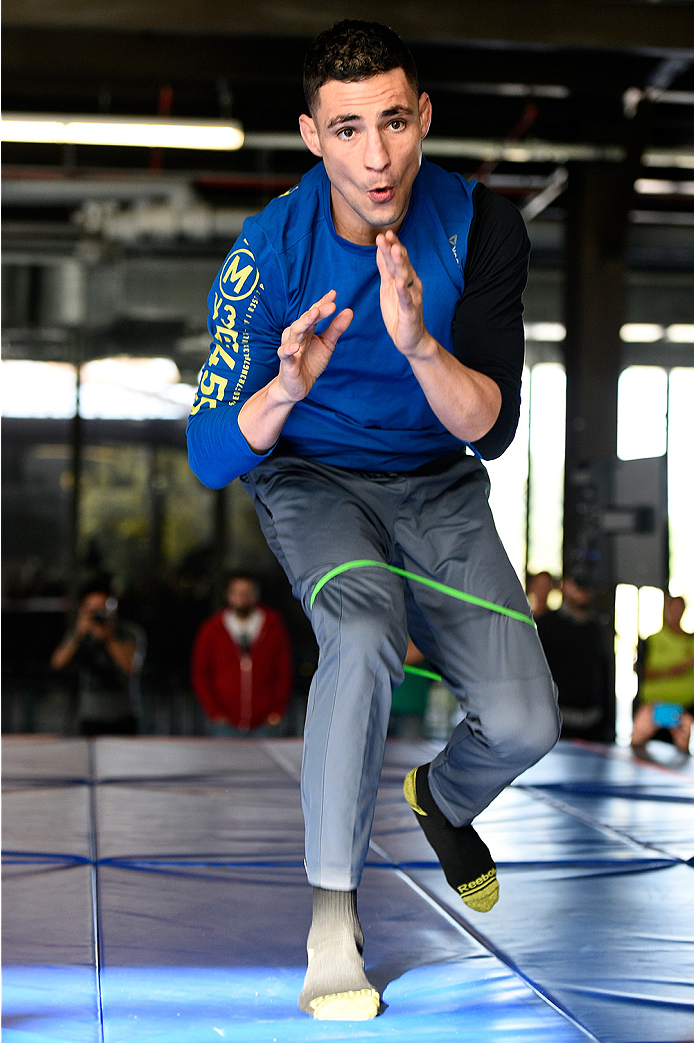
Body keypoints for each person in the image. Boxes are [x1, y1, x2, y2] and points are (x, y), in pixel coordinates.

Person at [187, 20, 560, 1021]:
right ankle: (332, 916)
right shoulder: (264, 252)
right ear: (313, 136)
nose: (377, 155)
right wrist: (281, 388)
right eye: (349, 130)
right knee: (356, 631)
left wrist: (420, 347)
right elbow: (211, 452)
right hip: (314, 479)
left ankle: (441, 799)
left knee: (527, 721)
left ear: (422, 116)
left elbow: (493, 430)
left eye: (394, 123)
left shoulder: (481, 227)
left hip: (438, 482)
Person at [190, 573, 293, 735]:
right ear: (228, 595)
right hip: (224, 722)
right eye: (237, 593)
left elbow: (283, 671)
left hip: (264, 721)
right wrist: (214, 711)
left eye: (246, 593)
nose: (241, 598)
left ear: (255, 595)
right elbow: (201, 673)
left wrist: (277, 710)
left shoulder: (273, 627)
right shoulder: (211, 630)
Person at [50, 582, 145, 735]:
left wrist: (109, 638)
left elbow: (130, 667)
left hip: (123, 717)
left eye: (102, 608)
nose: (97, 614)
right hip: (89, 717)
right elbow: (57, 662)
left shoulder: (129, 632)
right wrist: (78, 633)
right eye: (92, 609)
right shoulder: (80, 634)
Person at [536, 575, 613, 742]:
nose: (582, 592)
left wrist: (608, 726)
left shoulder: (597, 629)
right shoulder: (546, 625)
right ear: (566, 586)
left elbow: (605, 675)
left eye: (587, 588)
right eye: (578, 586)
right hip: (557, 725)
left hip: (593, 727)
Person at [633, 594, 693, 754]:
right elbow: (640, 671)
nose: (675, 612)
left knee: (680, 754)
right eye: (672, 608)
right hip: (654, 710)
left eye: (679, 608)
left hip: (685, 710)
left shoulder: (691, 641)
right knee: (646, 753)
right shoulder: (652, 640)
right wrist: (674, 671)